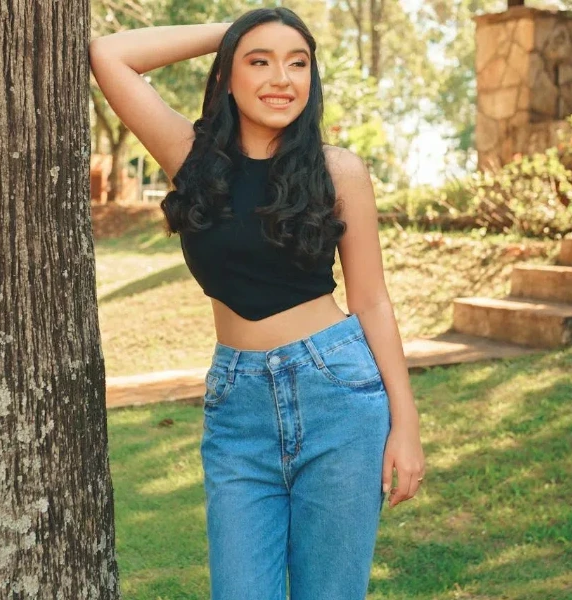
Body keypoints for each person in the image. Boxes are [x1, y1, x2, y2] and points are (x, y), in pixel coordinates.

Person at [90, 7, 425, 599]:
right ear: (226, 76)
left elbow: (371, 300)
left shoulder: (337, 170)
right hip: (237, 405)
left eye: (298, 63)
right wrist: (236, 29)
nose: (282, 78)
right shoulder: (191, 157)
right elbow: (110, 55)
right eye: (260, 61)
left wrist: (407, 424)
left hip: (340, 398)